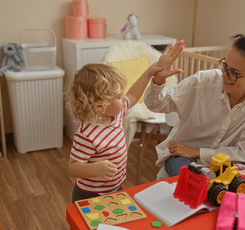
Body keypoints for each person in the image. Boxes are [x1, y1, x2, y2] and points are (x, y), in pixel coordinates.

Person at [144, 27, 245, 178]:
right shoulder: (203, 82)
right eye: (225, 66)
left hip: (227, 161)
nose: (224, 75)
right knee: (196, 183)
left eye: (234, 73)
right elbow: (155, 104)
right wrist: (159, 78)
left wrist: (197, 152)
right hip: (182, 157)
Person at [67, 41, 184, 202]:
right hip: (90, 195)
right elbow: (73, 167)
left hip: (115, 188)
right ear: (100, 106)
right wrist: (93, 169)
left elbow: (134, 95)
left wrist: (149, 73)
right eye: (119, 96)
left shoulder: (116, 112)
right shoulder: (87, 133)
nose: (124, 98)